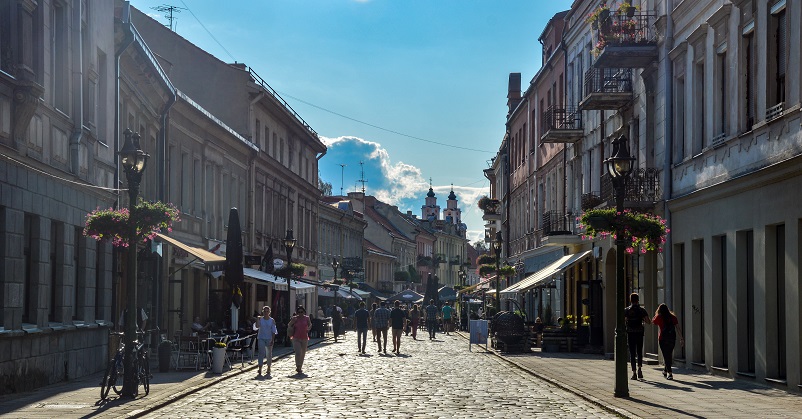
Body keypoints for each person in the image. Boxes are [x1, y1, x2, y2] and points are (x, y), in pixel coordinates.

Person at [652, 303, 684, 380]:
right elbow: (678, 328)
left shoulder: (659, 317)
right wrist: (681, 338)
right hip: (672, 338)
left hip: (662, 339)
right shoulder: (673, 317)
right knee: (668, 355)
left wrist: (657, 313)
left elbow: (653, 321)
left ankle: (670, 373)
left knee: (666, 356)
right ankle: (665, 371)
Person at [624, 293, 651, 380]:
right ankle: (640, 369)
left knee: (632, 353)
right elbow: (648, 321)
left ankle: (634, 372)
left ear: (630, 300)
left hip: (630, 333)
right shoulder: (642, 310)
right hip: (639, 332)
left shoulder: (627, 310)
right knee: (639, 352)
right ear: (638, 300)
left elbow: (624, 321)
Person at [253, 306, 278, 377]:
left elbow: (273, 331)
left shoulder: (272, 320)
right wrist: (257, 319)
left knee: (269, 353)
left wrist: (273, 339)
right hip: (261, 338)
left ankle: (269, 367)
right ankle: (260, 367)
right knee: (261, 353)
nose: (266, 313)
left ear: (269, 312)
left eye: (267, 311)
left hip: (269, 338)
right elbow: (257, 327)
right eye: (264, 311)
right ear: (262, 312)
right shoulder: (261, 319)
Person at [288, 305, 311, 375]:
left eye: (302, 312)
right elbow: (289, 325)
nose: (300, 313)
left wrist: (309, 328)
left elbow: (310, 324)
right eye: (299, 312)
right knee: (298, 352)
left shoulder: (307, 318)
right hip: (296, 337)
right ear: (297, 312)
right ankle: (298, 365)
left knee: (303, 353)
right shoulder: (295, 318)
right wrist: (292, 323)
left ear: (304, 312)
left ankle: (300, 366)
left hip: (304, 338)